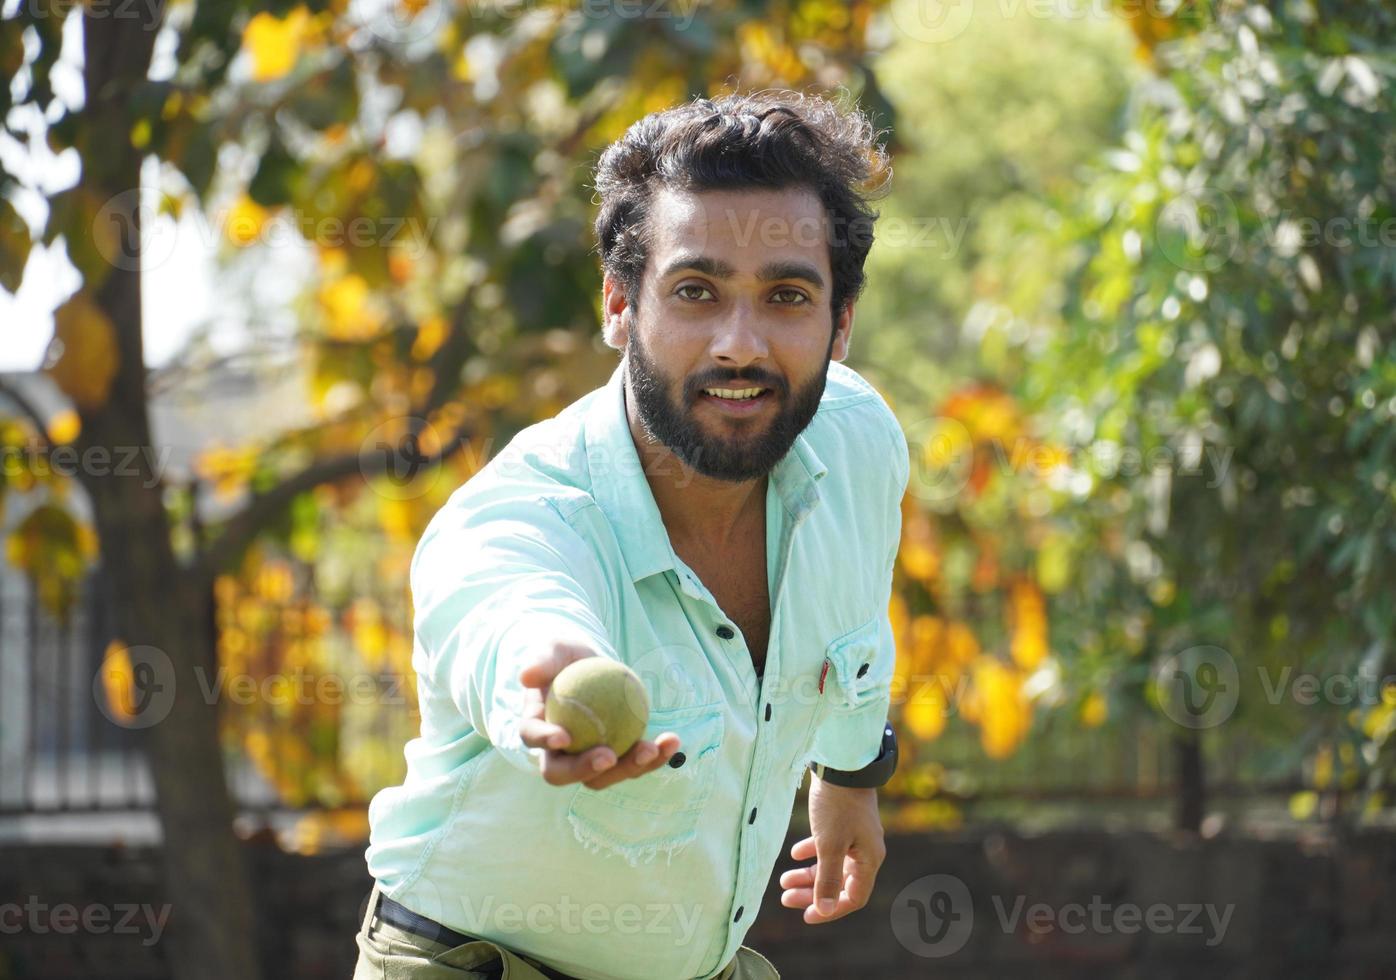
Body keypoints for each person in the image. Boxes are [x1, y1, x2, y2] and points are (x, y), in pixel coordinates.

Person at [355, 88, 908, 980]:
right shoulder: (521, 512)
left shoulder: (857, 443)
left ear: (839, 324)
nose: (740, 343)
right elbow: (506, 610)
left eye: (786, 296)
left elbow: (854, 622)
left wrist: (849, 778)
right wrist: (547, 675)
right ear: (618, 304)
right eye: (695, 291)